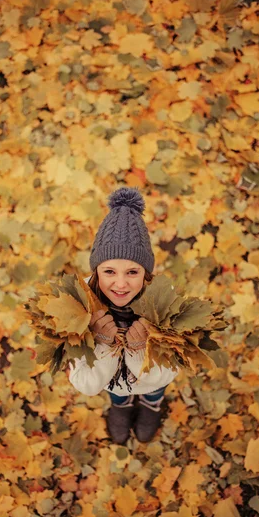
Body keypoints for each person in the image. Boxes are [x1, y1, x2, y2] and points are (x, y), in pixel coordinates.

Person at [68, 187, 180, 444]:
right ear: (96, 271)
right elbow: (86, 383)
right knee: (118, 395)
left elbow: (170, 370)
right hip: (110, 383)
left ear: (146, 273)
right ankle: (122, 405)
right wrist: (104, 345)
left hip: (153, 382)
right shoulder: (78, 306)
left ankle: (151, 407)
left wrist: (139, 349)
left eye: (132, 272)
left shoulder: (166, 302)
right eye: (109, 271)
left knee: (154, 392)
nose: (120, 284)